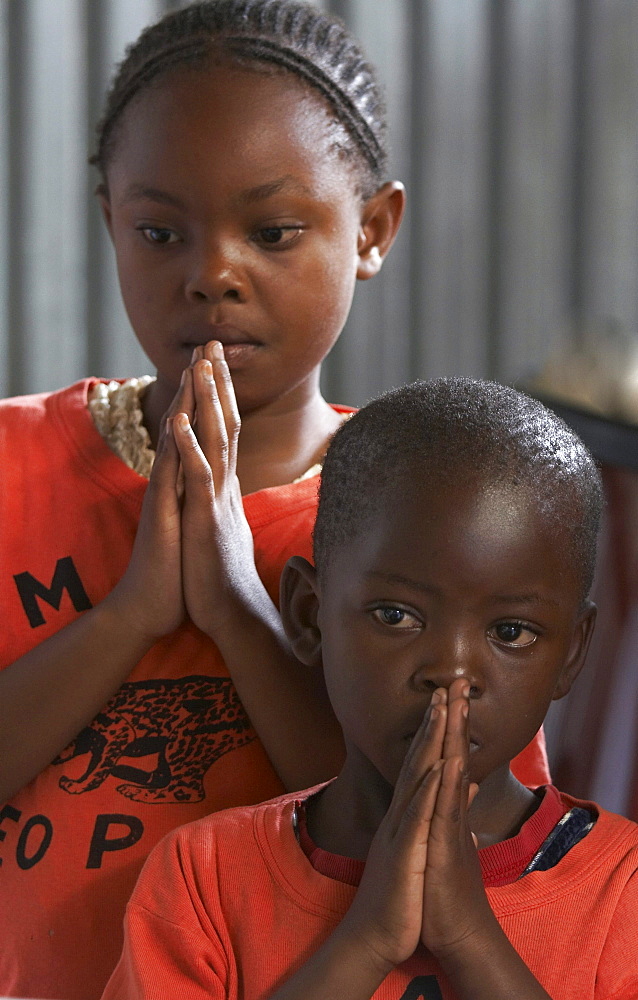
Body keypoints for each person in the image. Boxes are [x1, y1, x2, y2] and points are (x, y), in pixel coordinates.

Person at [0, 3, 545, 998]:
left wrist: (238, 614)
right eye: (159, 229)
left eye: (273, 230)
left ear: (372, 229)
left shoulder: (428, 508)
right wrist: (128, 617)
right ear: (108, 216)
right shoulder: (11, 463)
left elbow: (443, 849)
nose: (210, 274)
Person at [103, 378, 638, 1000]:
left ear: (571, 654)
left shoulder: (624, 889)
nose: (451, 669)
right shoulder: (207, 878)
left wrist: (468, 938)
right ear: (309, 616)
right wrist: (369, 938)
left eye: (511, 631)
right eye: (396, 616)